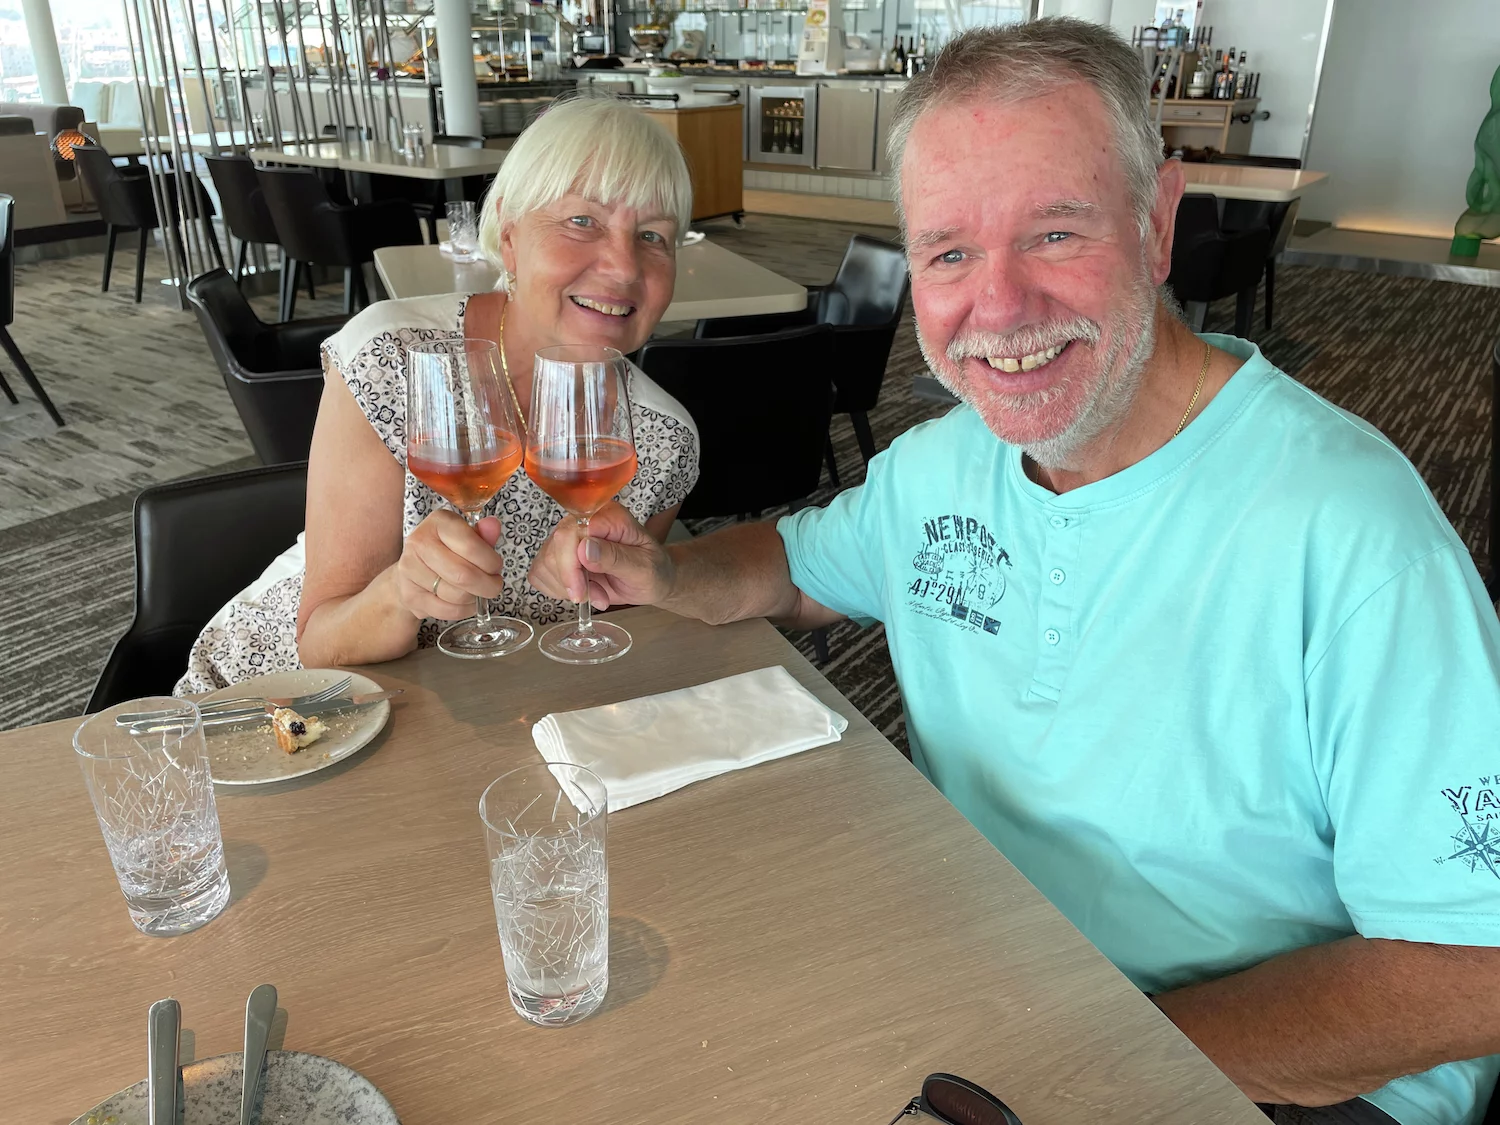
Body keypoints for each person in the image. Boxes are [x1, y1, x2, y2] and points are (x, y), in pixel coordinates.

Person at [529, 20, 1500, 1125]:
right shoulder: (943, 465)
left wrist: (1094, 1061)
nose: (997, 308)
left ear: (1158, 222)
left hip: (1268, 1079)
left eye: (1053, 233)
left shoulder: (1357, 537)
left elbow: (1474, 970)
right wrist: (666, 573)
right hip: (990, 984)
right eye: (948, 253)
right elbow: (796, 568)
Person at [177, 95, 700, 692]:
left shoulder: (664, 442)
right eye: (583, 221)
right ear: (509, 236)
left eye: (654, 236)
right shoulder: (393, 359)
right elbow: (321, 642)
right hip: (293, 694)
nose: (625, 267)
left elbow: (602, 639)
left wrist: (604, 584)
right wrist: (402, 591)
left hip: (484, 710)